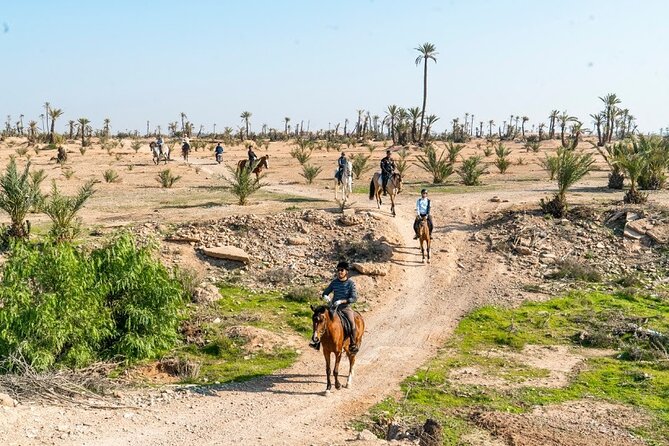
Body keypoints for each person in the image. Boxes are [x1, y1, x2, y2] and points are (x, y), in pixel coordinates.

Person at [310, 260, 359, 353]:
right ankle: (316, 342)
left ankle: (353, 344)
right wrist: (326, 297)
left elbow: (354, 298)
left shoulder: (350, 284)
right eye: (338, 270)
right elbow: (325, 292)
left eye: (342, 270)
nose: (339, 272)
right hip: (333, 307)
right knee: (320, 320)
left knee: (352, 323)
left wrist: (342, 301)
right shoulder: (334, 282)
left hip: (345, 308)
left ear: (346, 272)